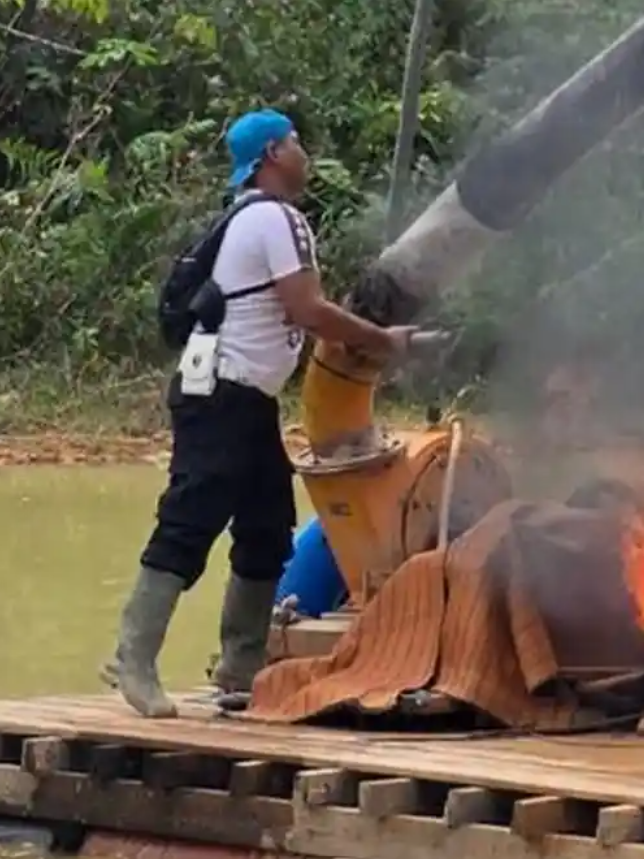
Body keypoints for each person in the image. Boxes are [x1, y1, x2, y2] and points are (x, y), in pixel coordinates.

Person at [105, 108, 417, 718]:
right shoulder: (278, 217)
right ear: (274, 153)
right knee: (190, 521)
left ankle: (240, 671)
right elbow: (307, 309)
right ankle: (132, 660)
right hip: (223, 394)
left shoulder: (250, 216)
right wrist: (385, 342)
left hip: (243, 399)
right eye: (297, 141)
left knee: (268, 528)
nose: (305, 151)